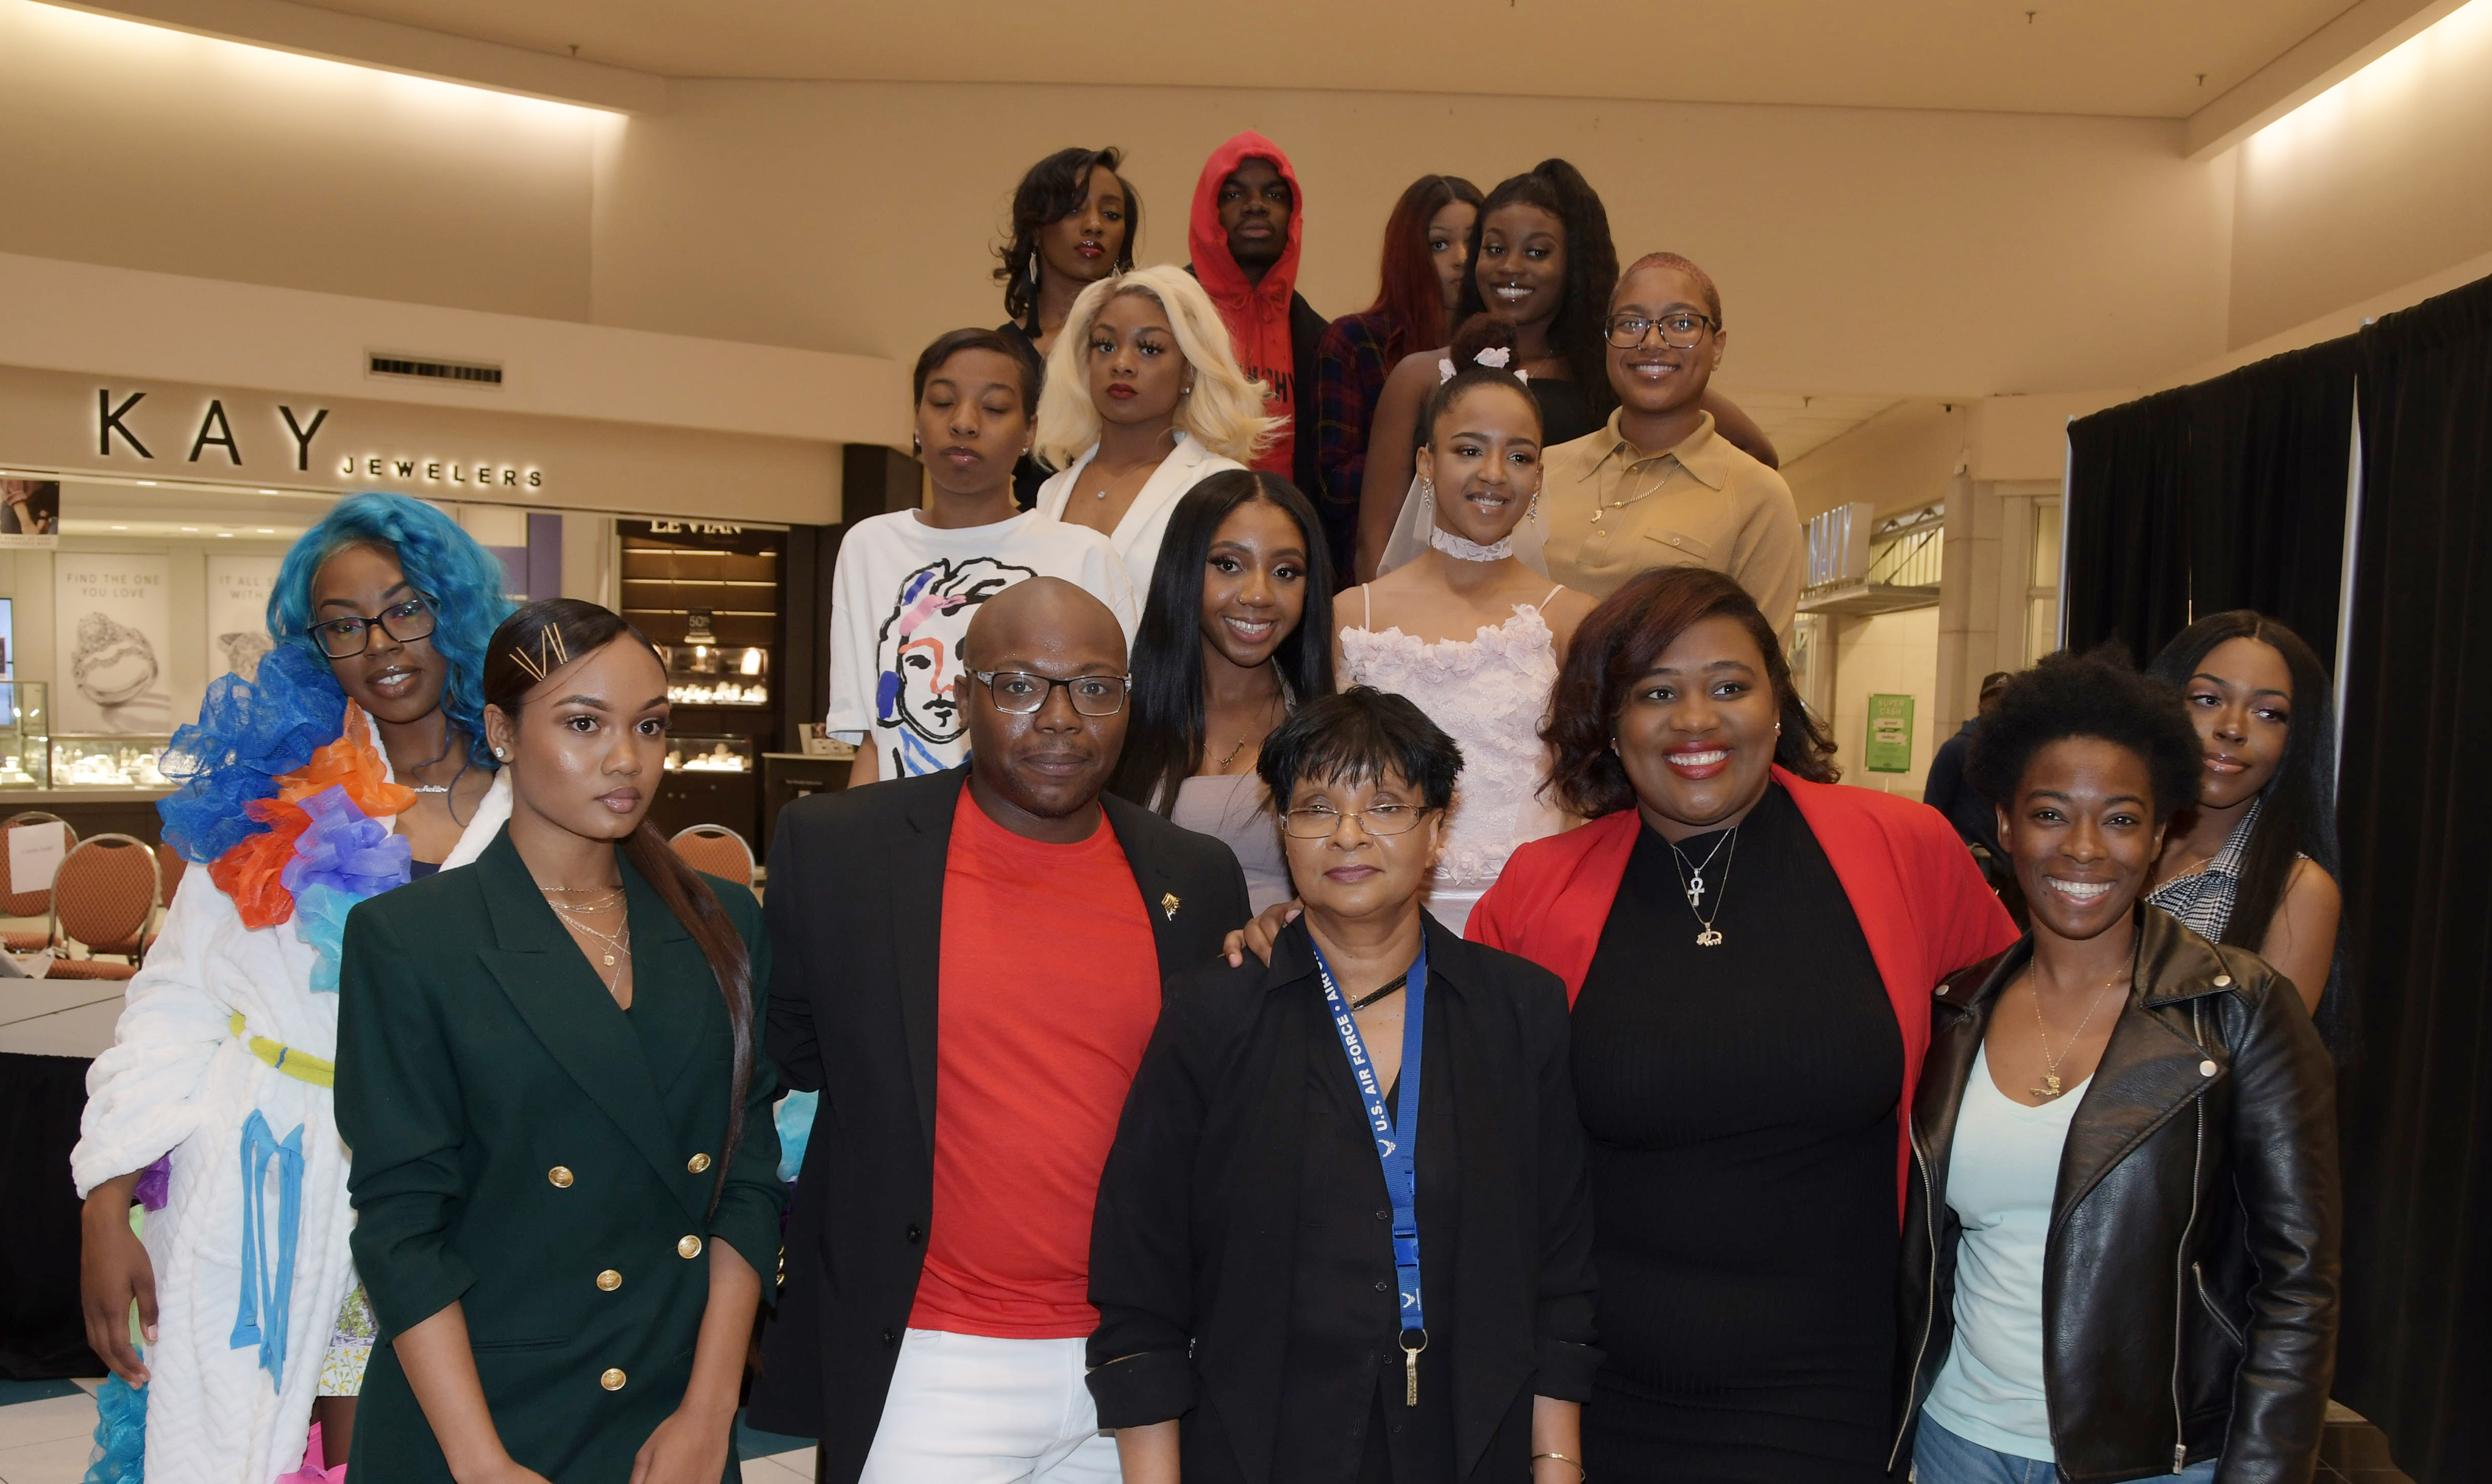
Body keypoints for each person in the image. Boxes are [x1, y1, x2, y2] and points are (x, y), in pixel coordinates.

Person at [1467, 565, 2019, 1482]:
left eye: (1729, 685)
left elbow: (2030, 1028)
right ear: (1608, 717)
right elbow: (1456, 1111)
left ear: (1777, 701)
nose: (1696, 720)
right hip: (1597, 1398)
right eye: (1655, 692)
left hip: (1834, 1391)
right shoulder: (1536, 889)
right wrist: (1309, 931)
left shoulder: (1904, 849)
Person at [749, 578, 1251, 1483]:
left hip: (1132, 1361)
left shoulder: (1195, 875)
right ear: (963, 695)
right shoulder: (840, 850)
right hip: (933, 1358)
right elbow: (793, 1055)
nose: (1060, 717)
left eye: (1095, 688)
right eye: (1020, 684)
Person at [71, 493, 513, 1484]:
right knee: (243, 1444)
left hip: (464, 1184)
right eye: (344, 624)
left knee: (431, 1447)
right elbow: (171, 1001)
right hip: (266, 1172)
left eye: (406, 608)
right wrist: (106, 1197)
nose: (380, 643)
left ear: (452, 606)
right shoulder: (262, 794)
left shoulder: (534, 800)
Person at [1088, 687, 1599, 1483]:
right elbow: (1140, 1282)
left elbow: (1562, 1272)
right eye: (1316, 807)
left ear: (1435, 831)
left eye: (1387, 805)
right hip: (1258, 1446)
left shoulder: (1520, 1012)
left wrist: (1556, 1464)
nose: (1349, 835)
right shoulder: (1213, 1015)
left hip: (1473, 1443)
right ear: (1284, 832)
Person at [333, 599, 779, 1483]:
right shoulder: (412, 938)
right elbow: (401, 1231)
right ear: (501, 730)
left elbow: (747, 1184)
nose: (626, 759)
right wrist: (480, 1460)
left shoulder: (718, 922)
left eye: (650, 725)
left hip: (669, 1412)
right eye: (584, 723)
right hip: (480, 1415)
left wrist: (709, 1410)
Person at [1897, 649, 2339, 1483]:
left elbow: (2299, 1282)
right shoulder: (1956, 1010)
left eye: (2123, 819)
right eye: (2052, 813)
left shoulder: (2239, 1010)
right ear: (2004, 824)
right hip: (1954, 1441)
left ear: (2161, 828)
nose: (2085, 849)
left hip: (2153, 1461)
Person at [1355, 163, 1780, 581]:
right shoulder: (1421, 375)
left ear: (1572, 266)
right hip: (1430, 621)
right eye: (1495, 249)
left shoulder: (1610, 374)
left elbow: (1754, 450)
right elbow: (1375, 542)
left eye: (1537, 252)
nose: (1511, 267)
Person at [1335, 355, 1596, 935]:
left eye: (1520, 456)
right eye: (1470, 450)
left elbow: (1587, 794)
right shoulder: (1355, 614)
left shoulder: (1573, 620)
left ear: (1540, 477)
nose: (1495, 474)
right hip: (1381, 917)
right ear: (1427, 461)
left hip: (1531, 915)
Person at [829, 328, 1136, 787]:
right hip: (903, 830)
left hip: (1043, 829)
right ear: (916, 419)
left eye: (994, 407)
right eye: (942, 402)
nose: (965, 423)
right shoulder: (868, 546)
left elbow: (1112, 729)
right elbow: (874, 739)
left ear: (1030, 430)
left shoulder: (1085, 555)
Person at [1108, 469, 1335, 913]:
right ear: (1184, 568)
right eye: (1229, 564)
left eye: (1286, 571)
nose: (1258, 594)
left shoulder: (1333, 733)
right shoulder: (1117, 716)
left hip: (1284, 975)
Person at [1537, 252, 1805, 625]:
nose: (1651, 341)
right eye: (1631, 323)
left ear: (1718, 348)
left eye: (1681, 323)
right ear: (1609, 342)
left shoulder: (1758, 496)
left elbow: (1763, 669)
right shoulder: (1540, 469)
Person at [2145, 611, 2344, 1029]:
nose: (2233, 729)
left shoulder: (2297, 892)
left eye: (2269, 713)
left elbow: (2258, 1074)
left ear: (2296, 740)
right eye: (2208, 700)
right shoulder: (2100, 844)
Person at [1030, 266, 1275, 595]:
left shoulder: (1220, 486)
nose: (1122, 363)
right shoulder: (1051, 492)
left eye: (1149, 348)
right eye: (1105, 345)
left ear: (1189, 370)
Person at [1313, 173, 1483, 579]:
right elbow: (1333, 482)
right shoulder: (1355, 341)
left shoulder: (1501, 352)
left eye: (1474, 243)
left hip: (1479, 571)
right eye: (1439, 244)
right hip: (1375, 572)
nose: (1461, 258)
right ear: (1408, 255)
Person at [1186, 132, 1329, 503]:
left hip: (1287, 531)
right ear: (1208, 212)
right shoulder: (1166, 315)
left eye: (1274, 195)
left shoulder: (1321, 339)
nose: (1256, 206)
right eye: (1233, 195)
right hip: (1183, 525)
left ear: (1293, 215)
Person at [995, 146, 1140, 508]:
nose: (1094, 225)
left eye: (1111, 214)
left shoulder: (1152, 340)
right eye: (1074, 209)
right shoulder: (1003, 356)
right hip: (1037, 548)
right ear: (1036, 228)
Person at [1925, 670, 2015, 852]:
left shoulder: (2024, 752)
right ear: (1980, 705)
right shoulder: (1956, 750)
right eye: (1994, 698)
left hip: (2013, 870)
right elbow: (1932, 815)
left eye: (2007, 700)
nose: (2000, 706)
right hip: (1970, 864)